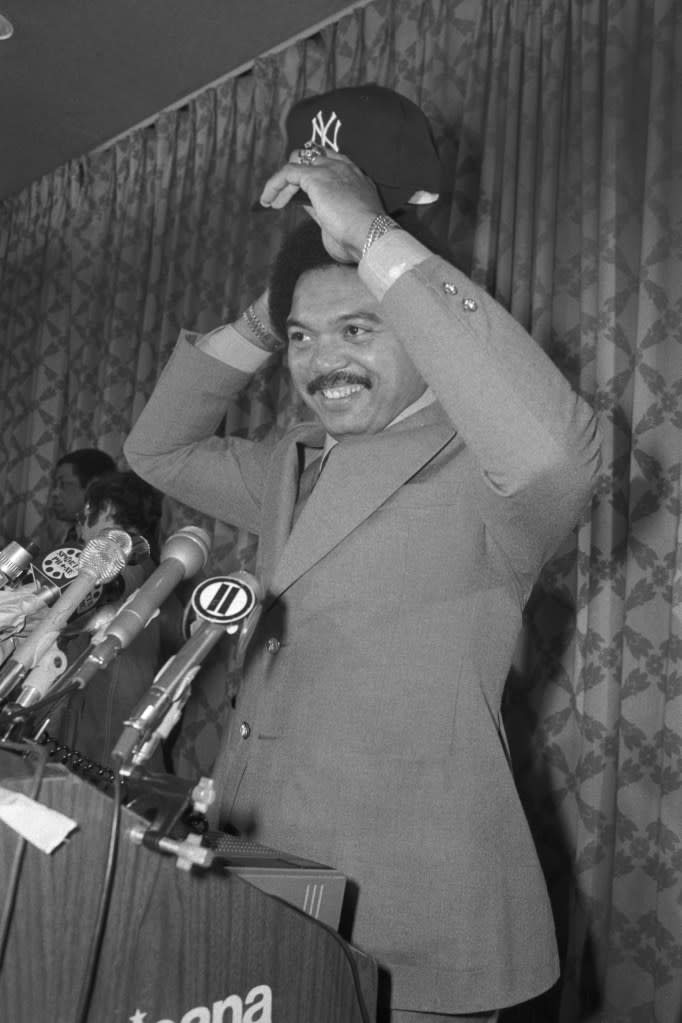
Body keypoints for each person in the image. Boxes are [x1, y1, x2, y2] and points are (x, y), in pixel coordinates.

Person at [124, 89, 601, 1022]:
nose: (321, 363)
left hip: (412, 923)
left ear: (422, 336)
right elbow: (158, 451)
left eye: (358, 330)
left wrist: (376, 240)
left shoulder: (487, 473)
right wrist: (275, 307)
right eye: (303, 341)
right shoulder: (288, 465)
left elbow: (557, 455)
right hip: (266, 888)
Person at [49, 470, 180, 771]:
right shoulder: (150, 567)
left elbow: (71, 616)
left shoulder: (124, 565)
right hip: (108, 725)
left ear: (108, 509)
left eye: (87, 509)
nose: (80, 522)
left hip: (104, 738)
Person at [50, 447, 117, 546]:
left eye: (63, 484)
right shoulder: (73, 532)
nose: (54, 493)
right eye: (56, 485)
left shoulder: (111, 538)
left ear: (94, 486)